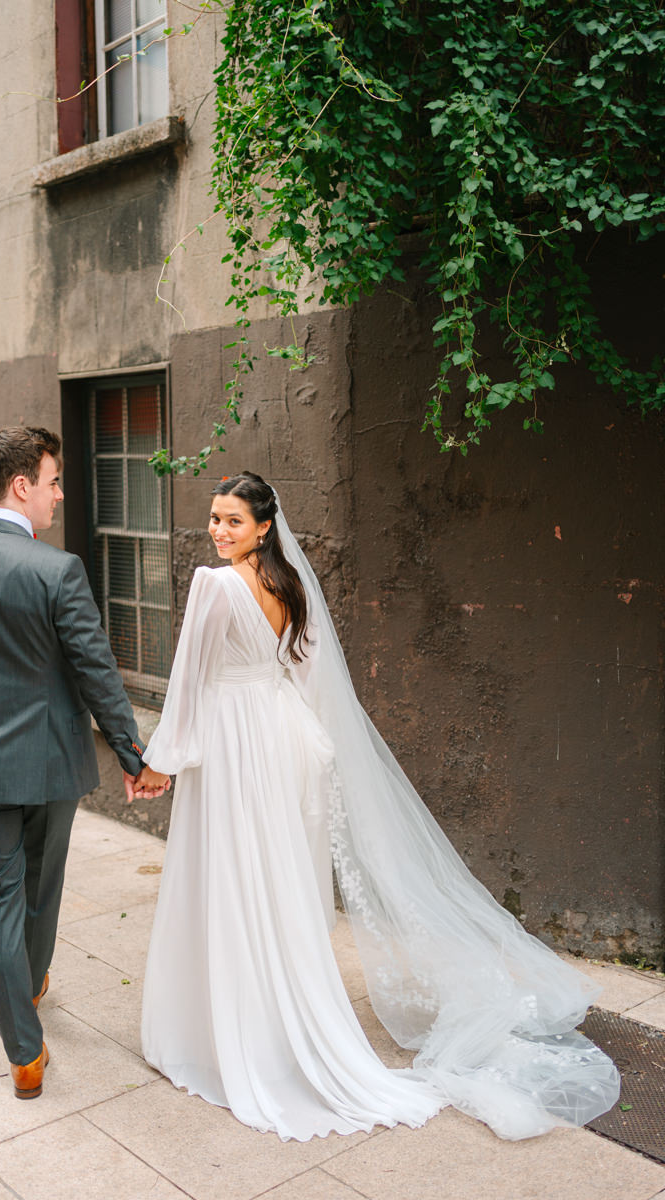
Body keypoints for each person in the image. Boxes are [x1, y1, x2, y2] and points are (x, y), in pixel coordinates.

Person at [138, 471, 620, 1142]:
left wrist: (161, 761)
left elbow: (188, 682)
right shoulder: (292, 586)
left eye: (232, 521)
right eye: (214, 518)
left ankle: (231, 1032)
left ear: (264, 527)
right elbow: (304, 676)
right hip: (281, 741)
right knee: (269, 879)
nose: (218, 531)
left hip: (230, 742)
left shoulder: (215, 587)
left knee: (229, 873)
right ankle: (278, 1016)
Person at [0, 426, 169, 1099]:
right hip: (51, 765)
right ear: (21, 485)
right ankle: (29, 985)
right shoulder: (57, 570)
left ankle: (25, 1054)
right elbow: (96, 672)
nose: (58, 496)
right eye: (53, 482)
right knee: (42, 882)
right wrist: (132, 754)